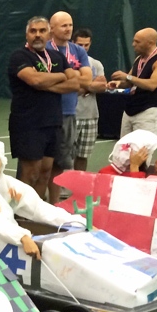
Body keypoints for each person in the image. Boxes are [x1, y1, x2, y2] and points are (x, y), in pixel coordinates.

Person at [0, 140, 85, 258]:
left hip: (6, 233)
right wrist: (22, 237)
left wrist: (75, 222)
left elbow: (37, 208)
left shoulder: (9, 184)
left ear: (1, 162)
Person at [7, 17, 79, 200]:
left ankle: (35, 213)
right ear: (27, 34)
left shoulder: (56, 56)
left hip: (53, 122)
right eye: (33, 31)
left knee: (46, 172)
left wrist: (46, 83)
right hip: (28, 123)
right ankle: (20, 214)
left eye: (41, 31)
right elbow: (34, 80)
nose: (37, 35)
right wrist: (61, 75)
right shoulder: (19, 56)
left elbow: (75, 83)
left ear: (49, 34)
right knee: (30, 172)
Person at [47, 11, 92, 203]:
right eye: (63, 25)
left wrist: (59, 80)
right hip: (46, 113)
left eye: (70, 25)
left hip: (68, 113)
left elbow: (87, 80)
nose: (68, 29)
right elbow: (41, 81)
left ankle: (55, 203)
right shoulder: (45, 49)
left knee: (60, 163)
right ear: (52, 28)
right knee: (42, 163)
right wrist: (73, 78)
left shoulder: (78, 51)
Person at [108, 28, 157, 137]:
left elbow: (152, 85)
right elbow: (130, 82)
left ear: (150, 43)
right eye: (134, 41)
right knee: (123, 149)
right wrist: (118, 84)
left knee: (141, 151)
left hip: (148, 112)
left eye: (137, 42)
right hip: (130, 110)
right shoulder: (139, 59)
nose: (133, 44)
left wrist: (127, 76)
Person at [72, 28, 107, 171]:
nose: (83, 48)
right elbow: (71, 87)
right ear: (73, 43)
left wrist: (84, 86)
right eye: (80, 45)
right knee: (65, 156)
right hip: (71, 116)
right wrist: (92, 84)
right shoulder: (67, 62)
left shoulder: (96, 64)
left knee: (83, 156)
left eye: (86, 45)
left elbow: (102, 86)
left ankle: (78, 187)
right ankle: (62, 188)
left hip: (91, 117)